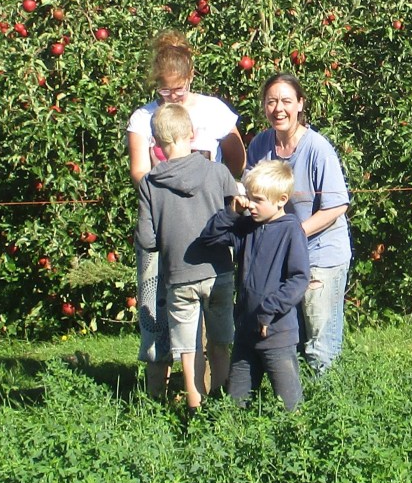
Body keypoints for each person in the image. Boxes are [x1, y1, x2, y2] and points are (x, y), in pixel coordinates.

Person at [126, 29, 245, 398]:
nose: (171, 97)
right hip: (165, 224)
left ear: (191, 77)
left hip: (207, 226)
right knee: (156, 306)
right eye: (164, 92)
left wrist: (214, 189)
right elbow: (139, 170)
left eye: (177, 90)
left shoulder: (212, 110)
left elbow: (236, 158)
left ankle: (205, 393)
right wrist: (171, 194)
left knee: (209, 314)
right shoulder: (143, 117)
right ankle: (157, 393)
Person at [135, 104, 238, 415]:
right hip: (219, 272)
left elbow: (147, 240)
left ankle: (196, 409)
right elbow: (233, 220)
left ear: (155, 142)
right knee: (220, 342)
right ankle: (223, 402)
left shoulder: (150, 183)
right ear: (192, 133)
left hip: (179, 277)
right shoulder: (218, 172)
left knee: (188, 348)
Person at [245, 72, 351, 374]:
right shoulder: (261, 145)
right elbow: (250, 190)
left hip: (321, 253)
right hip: (282, 255)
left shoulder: (317, 148)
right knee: (291, 333)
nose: (278, 109)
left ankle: (328, 398)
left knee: (319, 341)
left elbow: (337, 205)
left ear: (300, 104)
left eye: (286, 101)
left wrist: (292, 234)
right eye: (271, 102)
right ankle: (293, 397)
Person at [200, 160, 309, 411]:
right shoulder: (246, 227)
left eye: (258, 200)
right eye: (249, 197)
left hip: (277, 333)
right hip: (245, 331)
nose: (251, 205)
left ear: (281, 200)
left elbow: (299, 278)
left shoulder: (291, 230)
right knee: (236, 404)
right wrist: (231, 213)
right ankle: (235, 433)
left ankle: (298, 433)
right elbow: (209, 238)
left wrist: (269, 309)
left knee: (289, 404)